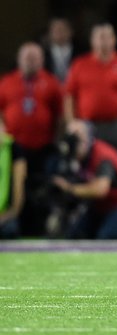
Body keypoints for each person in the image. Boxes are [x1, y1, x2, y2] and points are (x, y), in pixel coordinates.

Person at [0, 42, 64, 235]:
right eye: (27, 57)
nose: (30, 61)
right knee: (16, 187)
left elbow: (59, 117)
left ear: (42, 60)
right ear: (19, 59)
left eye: (34, 57)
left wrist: (56, 141)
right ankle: (13, 225)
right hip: (14, 148)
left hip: (43, 147)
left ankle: (41, 228)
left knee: (42, 190)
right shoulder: (6, 82)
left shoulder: (51, 82)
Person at [50, 120, 117, 240]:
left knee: (107, 237)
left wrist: (69, 189)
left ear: (87, 138)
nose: (74, 141)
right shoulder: (74, 159)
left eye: (78, 136)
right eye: (71, 136)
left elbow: (101, 190)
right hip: (101, 207)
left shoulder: (102, 155)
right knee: (75, 235)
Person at [64, 24, 117, 163]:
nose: (103, 41)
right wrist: (71, 123)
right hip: (87, 126)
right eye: (100, 37)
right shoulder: (79, 64)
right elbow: (69, 96)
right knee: (89, 165)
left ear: (114, 40)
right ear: (92, 41)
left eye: (107, 37)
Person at [0, 115, 27, 239]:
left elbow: (18, 188)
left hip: (5, 215)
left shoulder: (14, 149)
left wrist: (10, 214)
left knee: (10, 230)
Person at [42, 17, 80, 83]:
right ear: (50, 33)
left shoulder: (80, 52)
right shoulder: (42, 54)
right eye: (56, 30)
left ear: (70, 32)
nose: (59, 33)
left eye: (62, 29)